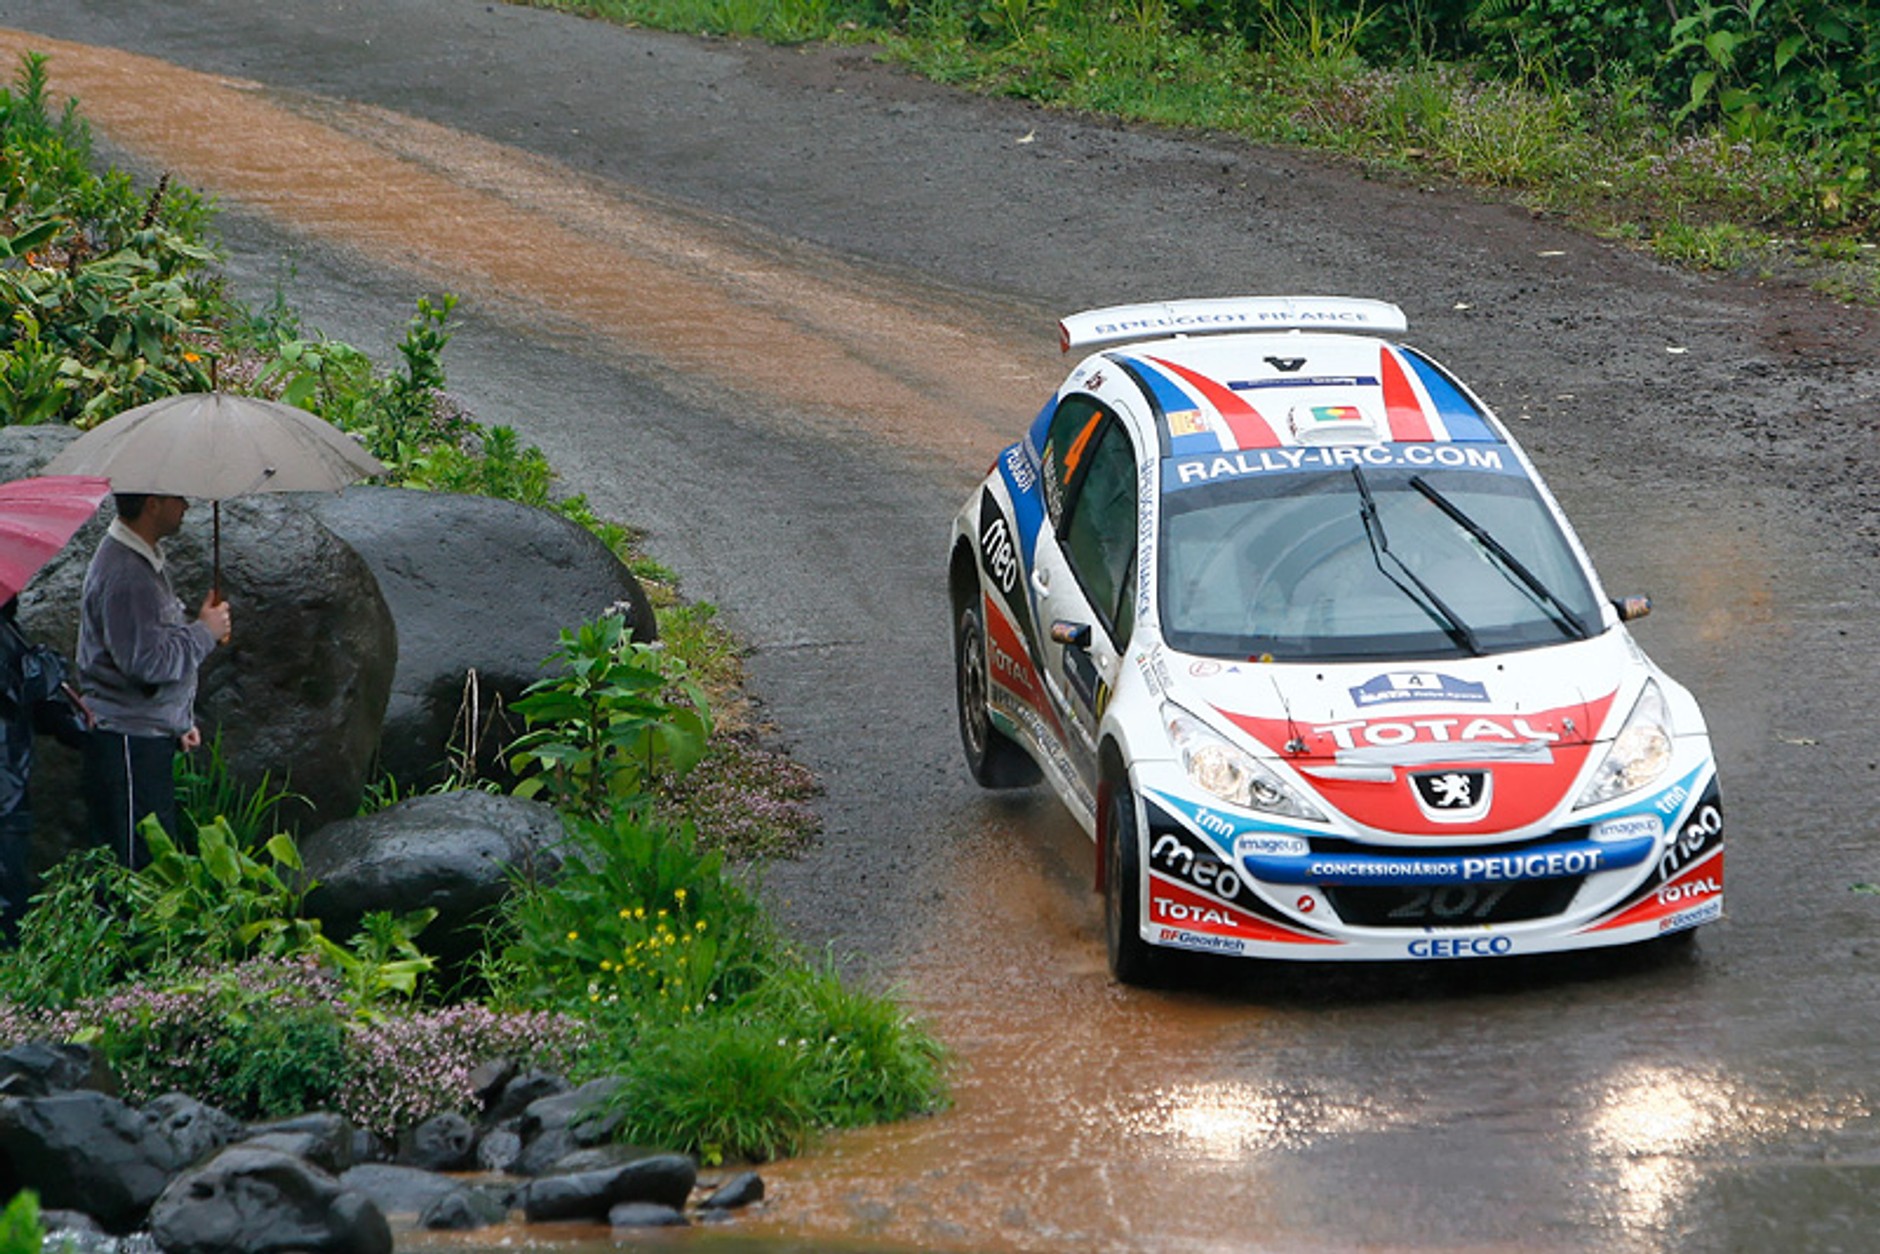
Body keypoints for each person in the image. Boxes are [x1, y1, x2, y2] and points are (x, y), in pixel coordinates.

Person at [76, 493, 231, 868]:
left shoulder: (141, 561)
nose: (186, 505)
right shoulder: (128, 574)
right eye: (177, 497)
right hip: (127, 741)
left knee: (147, 858)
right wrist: (205, 632)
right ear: (153, 503)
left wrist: (176, 720)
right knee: (136, 869)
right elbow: (147, 663)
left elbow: (151, 643)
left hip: (143, 734)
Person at [0, 597, 90, 940]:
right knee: (6, 897)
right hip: (5, 792)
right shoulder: (6, 636)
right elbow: (26, 690)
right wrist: (46, 669)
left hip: (9, 785)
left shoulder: (8, 631)